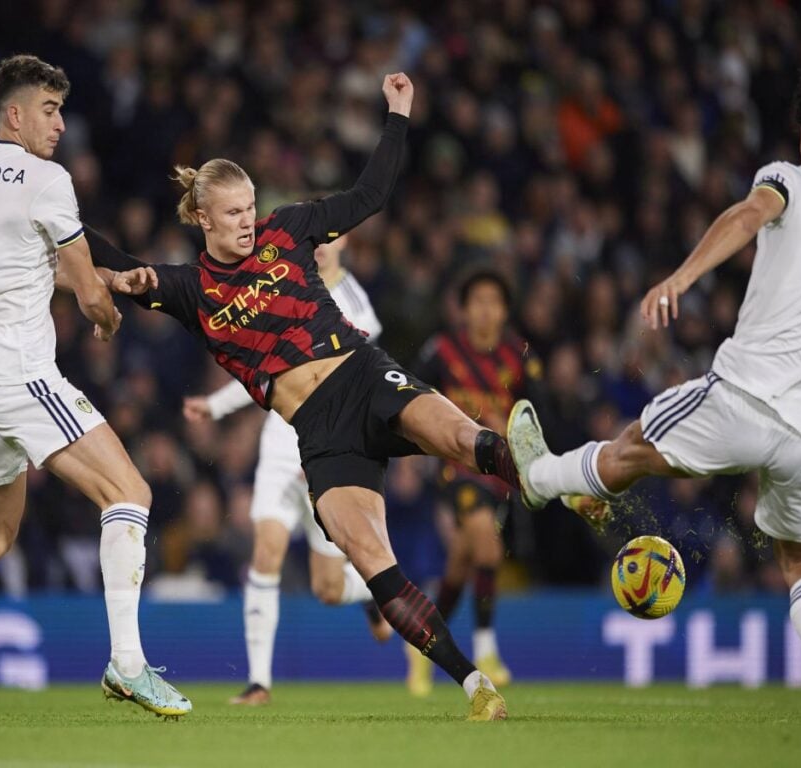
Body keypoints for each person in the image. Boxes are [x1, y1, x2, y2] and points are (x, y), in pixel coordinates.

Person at [85, 72, 597, 720]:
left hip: (363, 374)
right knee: (373, 566)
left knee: (462, 437)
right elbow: (113, 261)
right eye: (233, 213)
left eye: (250, 207)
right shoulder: (190, 289)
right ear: (204, 218)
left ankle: (561, 482)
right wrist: (54, 223)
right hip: (319, 433)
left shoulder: (289, 227)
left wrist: (399, 114)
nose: (247, 221)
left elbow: (370, 195)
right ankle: (473, 684)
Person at [508, 73, 801, 725]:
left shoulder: (790, 179)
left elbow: (748, 215)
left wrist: (682, 276)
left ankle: (540, 477)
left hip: (748, 395)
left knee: (632, 447)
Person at [0, 54, 191, 721]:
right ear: (16, 113)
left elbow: (26, 264)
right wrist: (106, 310)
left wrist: (104, 279)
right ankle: (128, 664)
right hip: (21, 371)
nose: (60, 125)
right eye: (49, 111)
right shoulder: (48, 178)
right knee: (130, 494)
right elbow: (85, 291)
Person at [182, 233, 392, 706]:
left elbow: (363, 390)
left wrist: (337, 450)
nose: (320, 246)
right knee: (267, 551)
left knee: (328, 588)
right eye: (316, 238)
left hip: (326, 454)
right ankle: (258, 682)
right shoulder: (284, 288)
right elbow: (266, 371)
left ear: (346, 241)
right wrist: (215, 406)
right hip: (281, 444)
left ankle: (368, 593)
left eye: (331, 238)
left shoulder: (356, 304)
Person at [405, 268, 539, 696]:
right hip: (455, 467)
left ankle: (422, 644)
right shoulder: (442, 352)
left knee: (462, 561)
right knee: (487, 545)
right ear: (463, 309)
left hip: (499, 475)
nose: (485, 310)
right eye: (477, 301)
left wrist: (513, 431)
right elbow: (409, 398)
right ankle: (485, 649)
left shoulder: (518, 357)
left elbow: (537, 419)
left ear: (504, 311)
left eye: (493, 302)